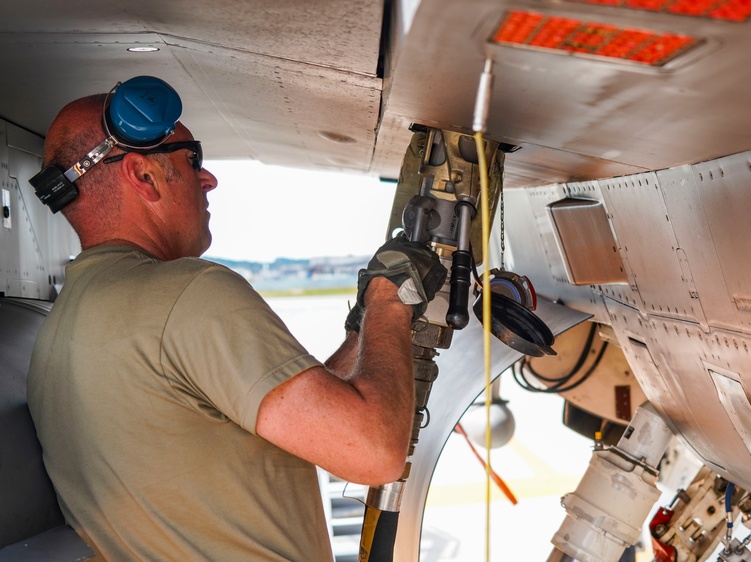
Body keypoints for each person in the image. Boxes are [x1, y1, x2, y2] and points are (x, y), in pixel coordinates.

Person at [27, 89, 446, 560]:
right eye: (190, 161)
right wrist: (392, 299)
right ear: (143, 174)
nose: (208, 179)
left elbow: (299, 421)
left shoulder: (61, 327)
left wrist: (364, 326)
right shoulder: (188, 293)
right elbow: (375, 454)